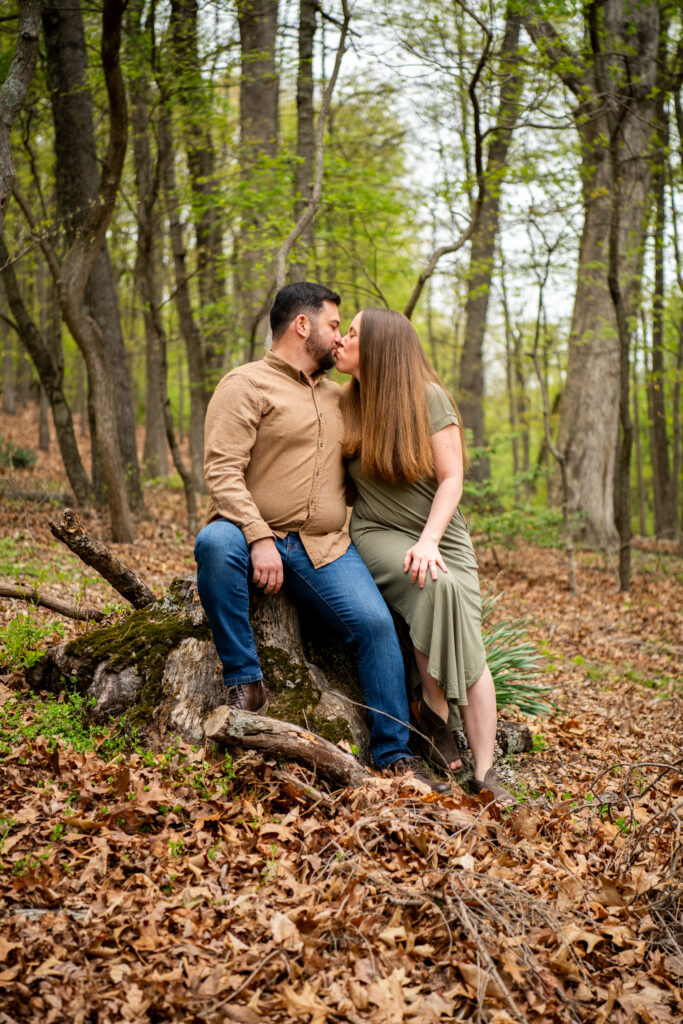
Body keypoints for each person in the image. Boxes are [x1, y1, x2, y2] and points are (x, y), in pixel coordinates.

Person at [194, 282, 449, 793]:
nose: (340, 338)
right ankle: (246, 682)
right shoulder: (244, 385)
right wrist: (259, 538)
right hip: (248, 532)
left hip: (326, 546)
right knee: (213, 545)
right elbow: (222, 472)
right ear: (302, 326)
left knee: (376, 627)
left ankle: (394, 756)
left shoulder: (341, 398)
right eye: (335, 325)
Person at [335, 307, 515, 806]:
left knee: (455, 603)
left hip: (440, 532)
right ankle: (434, 713)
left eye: (352, 333)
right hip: (377, 531)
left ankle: (484, 771)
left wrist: (431, 539)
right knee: (434, 585)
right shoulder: (343, 403)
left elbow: (452, 479)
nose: (341, 340)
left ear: (380, 349)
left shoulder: (428, 399)